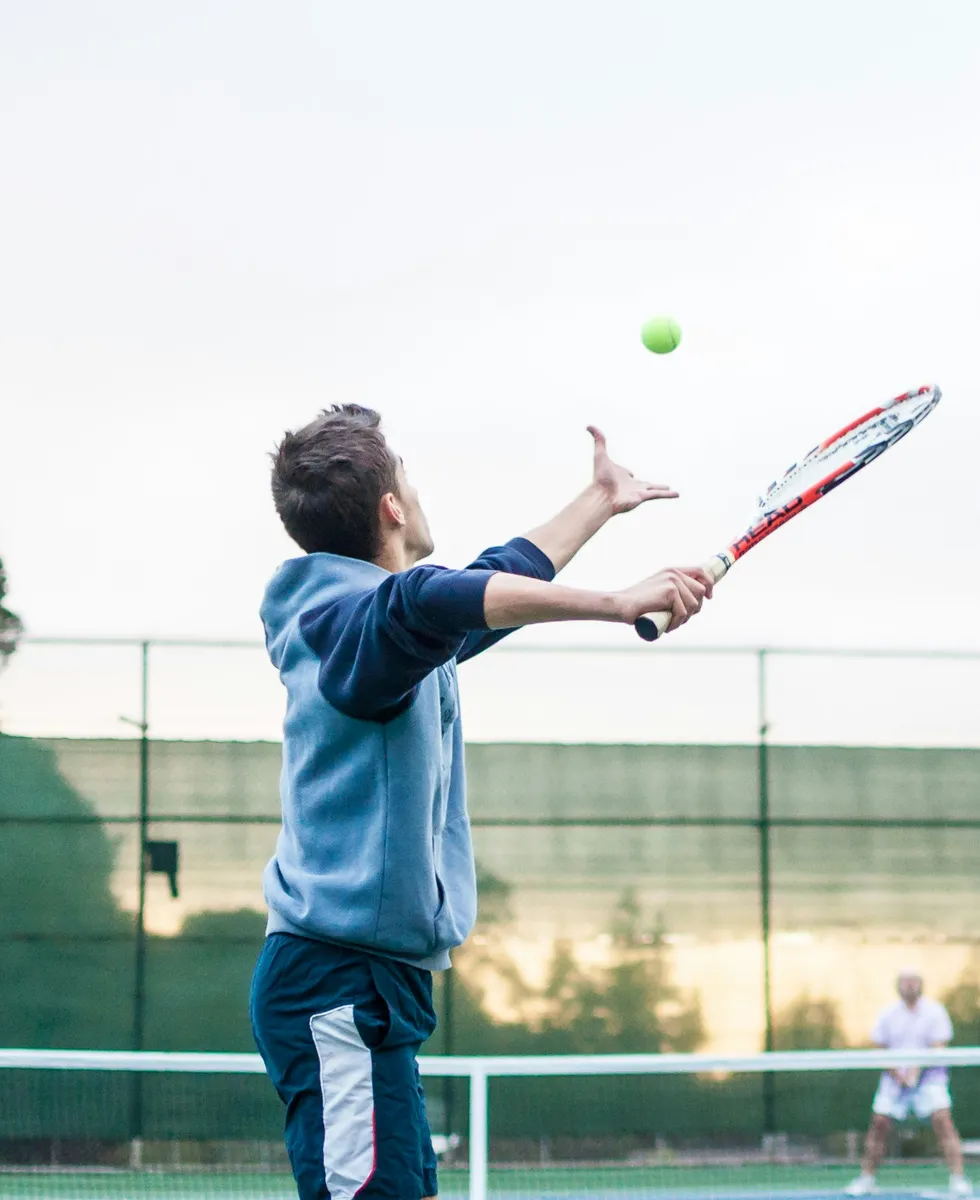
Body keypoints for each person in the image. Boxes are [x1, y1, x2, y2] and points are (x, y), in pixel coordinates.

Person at [249, 407, 711, 1200]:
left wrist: (598, 502)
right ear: (392, 508)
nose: (417, 492)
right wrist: (617, 602)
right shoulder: (355, 626)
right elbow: (431, 600)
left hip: (370, 986)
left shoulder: (374, 627)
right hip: (337, 985)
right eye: (408, 480)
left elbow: (479, 584)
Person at [846, 969, 969, 1197]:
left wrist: (916, 1071)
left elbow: (938, 1045)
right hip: (894, 1081)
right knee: (879, 1123)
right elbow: (880, 1049)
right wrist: (900, 1076)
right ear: (898, 986)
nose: (910, 986)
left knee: (943, 1120)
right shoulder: (887, 1014)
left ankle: (959, 1179)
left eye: (914, 982)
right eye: (905, 982)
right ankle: (867, 1179)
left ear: (921, 985)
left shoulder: (935, 1012)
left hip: (930, 1079)